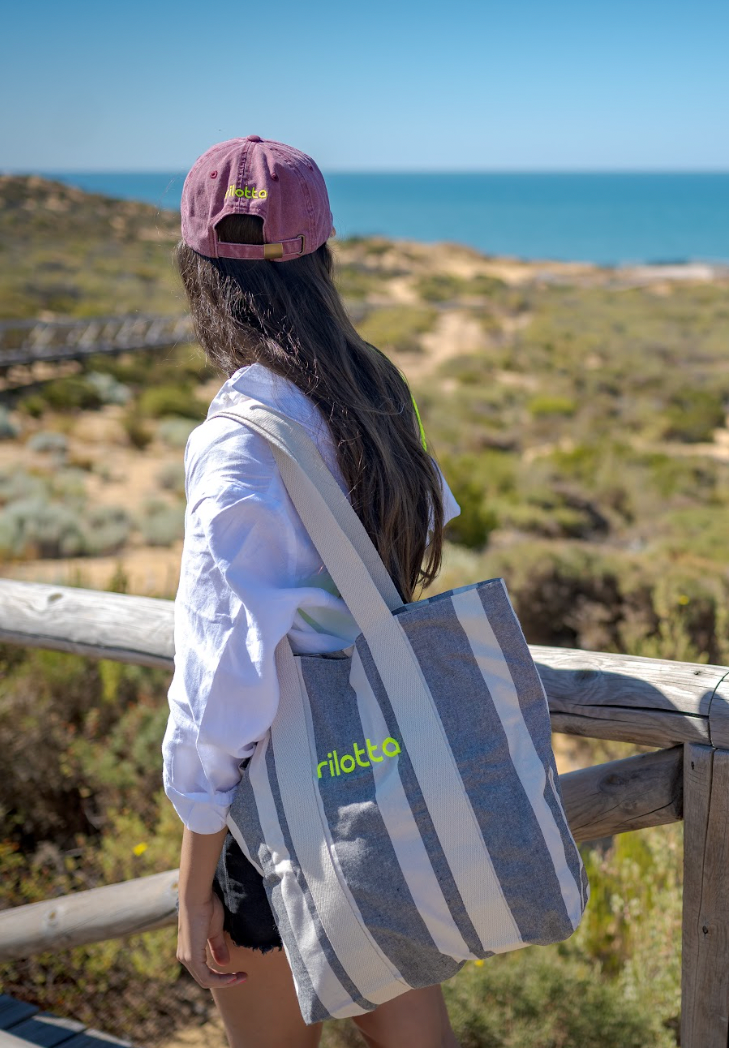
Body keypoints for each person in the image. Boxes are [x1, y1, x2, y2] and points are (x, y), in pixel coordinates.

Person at [161, 135, 462, 1048]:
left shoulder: (239, 436)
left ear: (197, 265)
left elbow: (226, 682)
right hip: (386, 782)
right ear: (322, 251)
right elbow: (420, 538)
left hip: (276, 816)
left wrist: (192, 882)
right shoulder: (374, 387)